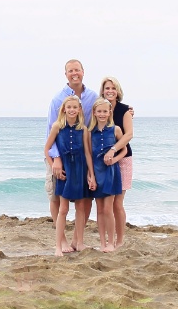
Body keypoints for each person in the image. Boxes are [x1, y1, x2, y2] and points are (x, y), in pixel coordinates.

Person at [45, 59, 98, 224]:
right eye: (71, 71)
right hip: (60, 154)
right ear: (66, 74)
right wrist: (56, 158)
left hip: (82, 155)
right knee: (56, 196)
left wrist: (127, 112)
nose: (74, 73)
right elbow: (50, 132)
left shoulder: (93, 97)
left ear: (83, 72)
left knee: (85, 196)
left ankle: (79, 231)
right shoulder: (57, 99)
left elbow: (106, 111)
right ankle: (59, 232)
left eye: (77, 70)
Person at [44, 95, 96, 256]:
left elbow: (87, 154)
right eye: (69, 107)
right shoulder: (57, 126)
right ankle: (58, 246)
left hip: (80, 170)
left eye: (75, 107)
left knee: (80, 207)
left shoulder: (84, 129)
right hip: (64, 172)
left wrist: (91, 174)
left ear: (79, 109)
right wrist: (54, 167)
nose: (72, 110)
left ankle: (79, 242)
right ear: (64, 109)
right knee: (63, 209)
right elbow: (47, 149)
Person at [87, 97, 125, 252]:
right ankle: (102, 242)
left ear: (110, 112)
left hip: (111, 173)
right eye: (99, 111)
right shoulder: (90, 132)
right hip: (97, 172)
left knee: (108, 209)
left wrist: (114, 159)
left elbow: (124, 149)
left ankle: (111, 242)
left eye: (105, 111)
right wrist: (90, 176)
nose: (102, 114)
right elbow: (89, 155)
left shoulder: (115, 129)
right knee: (100, 209)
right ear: (94, 113)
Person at [100, 77, 134, 248]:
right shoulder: (100, 109)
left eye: (113, 88)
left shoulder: (125, 110)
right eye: (107, 88)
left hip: (123, 158)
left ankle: (120, 241)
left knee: (117, 203)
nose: (110, 91)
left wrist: (113, 149)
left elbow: (129, 135)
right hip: (105, 161)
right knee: (106, 204)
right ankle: (108, 240)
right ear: (103, 91)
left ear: (118, 91)